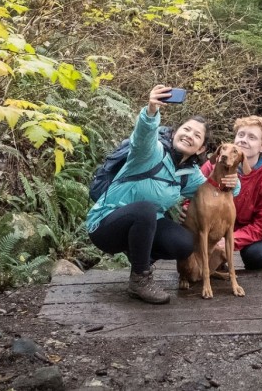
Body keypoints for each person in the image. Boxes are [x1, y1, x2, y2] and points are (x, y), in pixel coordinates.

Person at [85, 85, 238, 304]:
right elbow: (142, 137)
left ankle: (140, 262)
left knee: (183, 243)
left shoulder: (189, 175)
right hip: (106, 224)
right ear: (175, 133)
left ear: (202, 149)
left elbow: (215, 188)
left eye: (197, 135)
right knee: (145, 210)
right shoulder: (151, 151)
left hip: (143, 227)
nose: (189, 136)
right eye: (186, 129)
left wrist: (234, 183)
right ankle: (141, 279)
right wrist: (151, 111)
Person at [201, 114, 262, 271]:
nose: (243, 140)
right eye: (241, 135)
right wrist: (186, 207)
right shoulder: (213, 166)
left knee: (258, 257)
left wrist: (231, 241)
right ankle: (216, 263)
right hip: (213, 224)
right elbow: (193, 190)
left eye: (252, 137)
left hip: (247, 228)